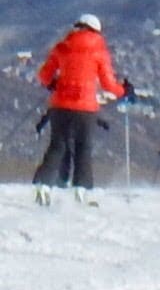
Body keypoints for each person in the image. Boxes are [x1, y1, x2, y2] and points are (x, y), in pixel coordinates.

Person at [33, 13, 128, 207]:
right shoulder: (99, 52)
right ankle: (81, 192)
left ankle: (43, 186)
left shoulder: (62, 47)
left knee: (57, 146)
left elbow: (43, 75)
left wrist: (53, 83)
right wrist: (124, 90)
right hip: (85, 108)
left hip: (60, 105)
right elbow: (109, 85)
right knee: (83, 147)